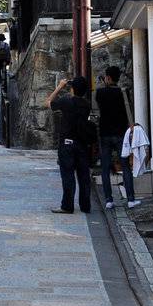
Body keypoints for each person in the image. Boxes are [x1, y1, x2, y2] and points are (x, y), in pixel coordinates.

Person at [47, 73, 96, 214]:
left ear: (73, 88)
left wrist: (59, 87)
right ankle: (85, 205)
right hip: (82, 143)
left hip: (67, 144)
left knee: (68, 175)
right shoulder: (86, 105)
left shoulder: (66, 101)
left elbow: (48, 103)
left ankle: (67, 205)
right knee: (83, 176)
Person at [95, 64, 140, 210]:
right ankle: (131, 199)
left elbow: (99, 105)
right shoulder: (124, 92)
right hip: (121, 134)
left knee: (105, 167)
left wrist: (104, 85)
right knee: (125, 166)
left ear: (107, 77)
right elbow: (129, 111)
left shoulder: (100, 93)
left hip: (105, 133)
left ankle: (109, 200)